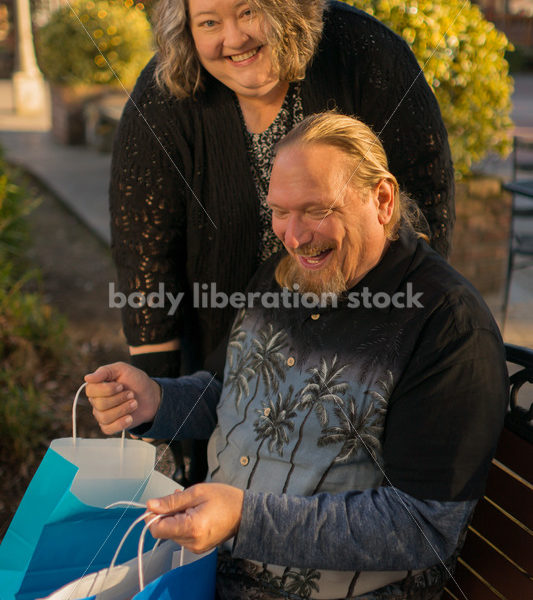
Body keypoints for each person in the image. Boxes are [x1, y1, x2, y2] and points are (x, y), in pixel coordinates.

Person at [89, 113, 505, 599]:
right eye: (280, 210)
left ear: (383, 200)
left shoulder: (447, 324)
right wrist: (157, 400)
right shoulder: (284, 273)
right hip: (202, 572)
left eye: (315, 209)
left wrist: (244, 519)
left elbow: (424, 529)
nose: (294, 235)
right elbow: (230, 394)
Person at [111, 0, 455, 483]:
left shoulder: (366, 54)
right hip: (223, 362)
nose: (234, 39)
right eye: (209, 22)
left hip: (359, 363)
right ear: (186, 30)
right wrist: (159, 420)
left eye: (248, 12)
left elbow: (425, 211)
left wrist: (380, 342)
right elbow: (145, 263)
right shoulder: (164, 94)